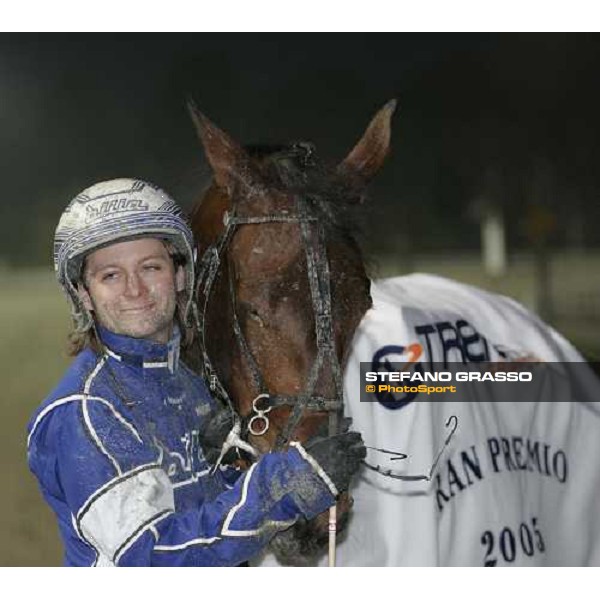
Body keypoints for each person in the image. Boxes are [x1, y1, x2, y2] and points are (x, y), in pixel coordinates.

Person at [27, 178, 365, 567]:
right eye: (111, 276)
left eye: (150, 267)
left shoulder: (187, 384)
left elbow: (204, 512)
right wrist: (283, 488)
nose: (134, 289)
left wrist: (231, 471)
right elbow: (152, 556)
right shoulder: (84, 410)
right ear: (83, 295)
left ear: (180, 275)